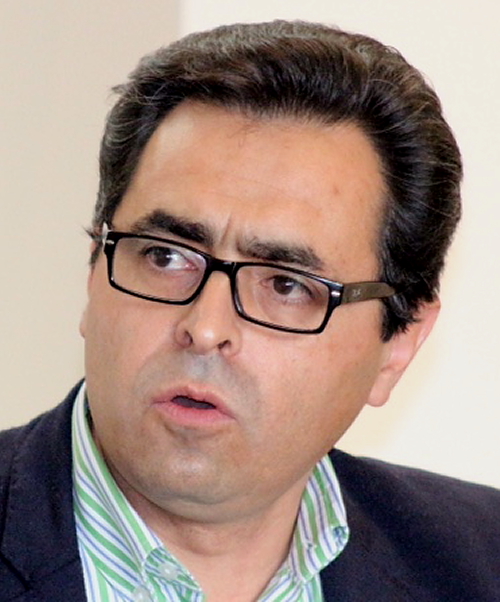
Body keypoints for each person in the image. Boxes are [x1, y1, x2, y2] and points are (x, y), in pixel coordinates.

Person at [1, 19, 498, 602]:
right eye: (165, 256)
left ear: (398, 345)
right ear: (94, 268)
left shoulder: (481, 564)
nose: (206, 328)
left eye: (286, 285)